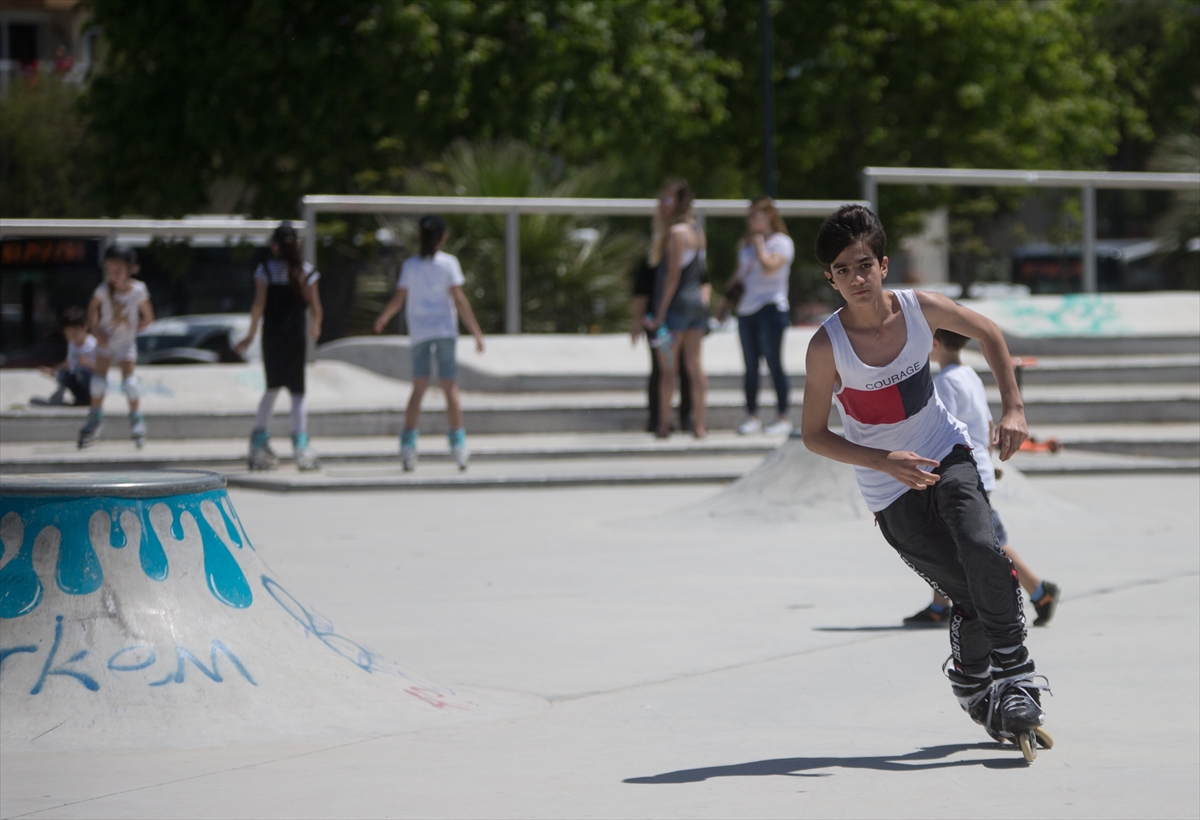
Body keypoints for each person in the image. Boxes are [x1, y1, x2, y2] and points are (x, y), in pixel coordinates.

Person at [801, 205, 1049, 747]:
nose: (855, 278)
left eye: (863, 264)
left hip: (945, 451)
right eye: (842, 270)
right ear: (830, 278)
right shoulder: (827, 347)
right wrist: (882, 461)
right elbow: (813, 434)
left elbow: (988, 332)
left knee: (984, 551)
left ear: (884, 264)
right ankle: (971, 682)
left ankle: (1016, 678)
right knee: (966, 592)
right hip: (889, 488)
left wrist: (1013, 408)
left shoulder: (921, 309)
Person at [904, 328, 1060, 628]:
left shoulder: (946, 382)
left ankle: (1040, 591)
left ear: (934, 343)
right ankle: (940, 605)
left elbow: (943, 431)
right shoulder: (968, 374)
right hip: (976, 470)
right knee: (950, 542)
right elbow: (987, 424)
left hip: (961, 474)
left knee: (991, 544)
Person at [373, 215, 485, 471]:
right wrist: (476, 332)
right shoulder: (449, 263)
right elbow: (459, 299)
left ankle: (408, 445)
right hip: (444, 331)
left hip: (420, 332)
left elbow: (399, 298)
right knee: (450, 389)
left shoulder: (411, 265)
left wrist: (384, 317)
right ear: (443, 237)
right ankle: (458, 444)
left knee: (419, 388)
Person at [235, 222, 323, 471]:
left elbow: (258, 305)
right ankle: (301, 447)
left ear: (275, 247)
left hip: (272, 337)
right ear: (298, 245)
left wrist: (251, 334)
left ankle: (257, 443)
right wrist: (315, 328)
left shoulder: (265, 270)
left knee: (271, 388)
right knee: (297, 393)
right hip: (295, 338)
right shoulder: (307, 272)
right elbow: (316, 308)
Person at [646, 180, 709, 439]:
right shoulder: (697, 231)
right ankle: (699, 425)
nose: (663, 204)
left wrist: (659, 313)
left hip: (677, 306)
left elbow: (672, 277)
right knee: (694, 365)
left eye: (668, 199)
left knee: (668, 368)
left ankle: (663, 424)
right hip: (697, 304)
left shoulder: (675, 234)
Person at [729, 196, 795, 436]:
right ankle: (752, 416)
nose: (752, 219)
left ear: (769, 216)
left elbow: (769, 268)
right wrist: (724, 301)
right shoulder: (745, 244)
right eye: (750, 215)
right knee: (750, 366)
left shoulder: (782, 242)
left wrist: (760, 247)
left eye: (756, 214)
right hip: (746, 310)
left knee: (774, 363)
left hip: (771, 307)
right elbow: (738, 275)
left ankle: (783, 416)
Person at [79, 245, 154, 449]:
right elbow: (92, 308)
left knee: (130, 384)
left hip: (126, 343)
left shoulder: (138, 290)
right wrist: (95, 330)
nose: (114, 273)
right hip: (106, 343)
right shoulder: (103, 290)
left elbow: (148, 314)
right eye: (110, 268)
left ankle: (136, 420)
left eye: (119, 268)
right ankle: (95, 419)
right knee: (97, 383)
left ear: (130, 269)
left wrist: (144, 322)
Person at [631, 255, 692, 433]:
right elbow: (641, 292)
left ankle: (685, 418)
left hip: (681, 320)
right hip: (661, 323)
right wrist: (637, 321)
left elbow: (703, 282)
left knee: (685, 369)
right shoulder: (653, 258)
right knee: (663, 369)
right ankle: (659, 419)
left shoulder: (689, 257)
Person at [34, 306, 96, 406]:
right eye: (69, 333)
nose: (72, 336)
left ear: (85, 327)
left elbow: (103, 370)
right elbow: (69, 361)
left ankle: (92, 400)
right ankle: (82, 399)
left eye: (75, 332)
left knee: (82, 371)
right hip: (79, 379)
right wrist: (53, 370)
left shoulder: (92, 345)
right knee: (63, 374)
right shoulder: (72, 344)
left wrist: (89, 364)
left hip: (93, 383)